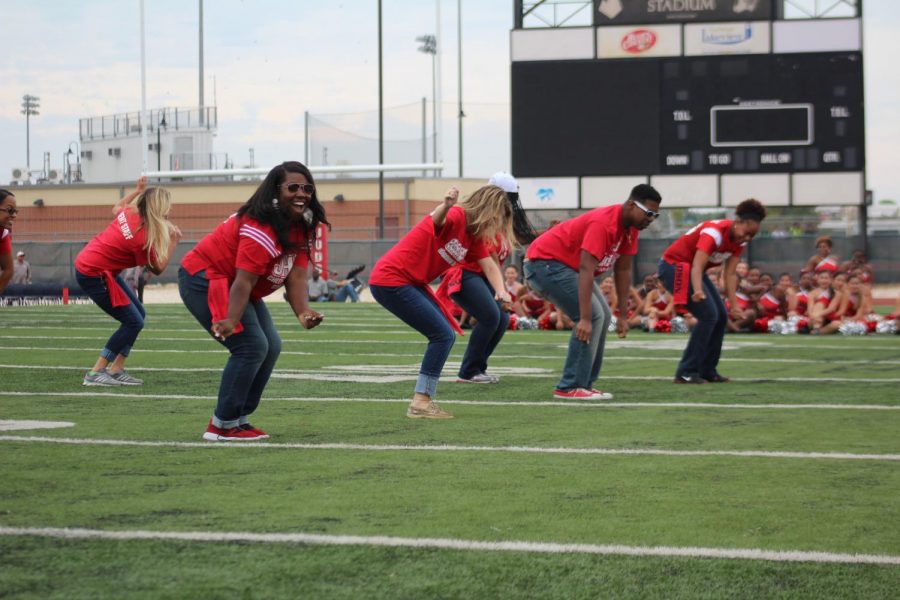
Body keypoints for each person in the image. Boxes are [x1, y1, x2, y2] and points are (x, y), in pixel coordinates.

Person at [180, 161, 328, 441]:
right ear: (276, 190)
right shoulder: (261, 226)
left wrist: (303, 312)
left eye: (307, 188)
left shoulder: (301, 224)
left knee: (272, 345)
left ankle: (237, 418)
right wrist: (231, 320)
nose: (302, 194)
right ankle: (222, 425)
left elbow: (296, 275)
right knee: (252, 346)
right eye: (293, 187)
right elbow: (244, 281)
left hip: (235, 283)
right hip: (206, 277)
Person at [369, 185, 513, 419]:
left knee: (445, 334)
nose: (496, 225)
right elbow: (437, 220)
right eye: (497, 218)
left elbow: (489, 265)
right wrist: (446, 205)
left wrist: (501, 291)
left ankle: (422, 401)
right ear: (488, 209)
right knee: (443, 335)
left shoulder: (472, 238)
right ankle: (421, 402)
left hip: (409, 281)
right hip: (392, 279)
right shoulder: (457, 215)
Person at [524, 184, 662, 400]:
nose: (651, 219)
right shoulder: (604, 223)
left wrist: (624, 316)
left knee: (605, 315)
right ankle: (569, 386)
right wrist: (585, 318)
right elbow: (586, 268)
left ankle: (585, 383)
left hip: (564, 266)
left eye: (655, 215)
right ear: (630, 205)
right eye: (649, 213)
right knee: (593, 316)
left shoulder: (631, 230)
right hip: (544, 263)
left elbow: (623, 270)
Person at [75, 177, 182, 386]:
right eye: (167, 206)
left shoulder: (130, 212)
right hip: (93, 272)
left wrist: (137, 190)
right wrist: (174, 242)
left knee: (138, 315)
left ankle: (116, 369)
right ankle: (96, 372)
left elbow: (117, 207)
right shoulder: (142, 238)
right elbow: (158, 268)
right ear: (158, 208)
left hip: (96, 267)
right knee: (133, 321)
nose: (170, 210)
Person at [438, 172, 536, 384]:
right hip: (466, 273)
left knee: (501, 321)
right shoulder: (485, 222)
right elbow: (489, 263)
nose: (510, 204)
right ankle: (468, 372)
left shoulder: (502, 223)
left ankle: (478, 369)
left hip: (482, 277)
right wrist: (501, 292)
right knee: (491, 316)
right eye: (507, 198)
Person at [658, 198, 766, 383]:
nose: (746, 239)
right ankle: (686, 372)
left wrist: (734, 305)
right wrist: (698, 291)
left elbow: (730, 274)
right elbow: (697, 266)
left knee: (721, 316)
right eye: (746, 233)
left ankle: (708, 370)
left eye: (751, 236)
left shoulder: (740, 242)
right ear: (738, 222)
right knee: (709, 315)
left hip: (693, 270)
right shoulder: (714, 233)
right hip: (674, 267)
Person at [0, 189, 17, 295]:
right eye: (10, 210)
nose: (14, 215)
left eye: (15, 211)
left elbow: (8, 269)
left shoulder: (2, 233)